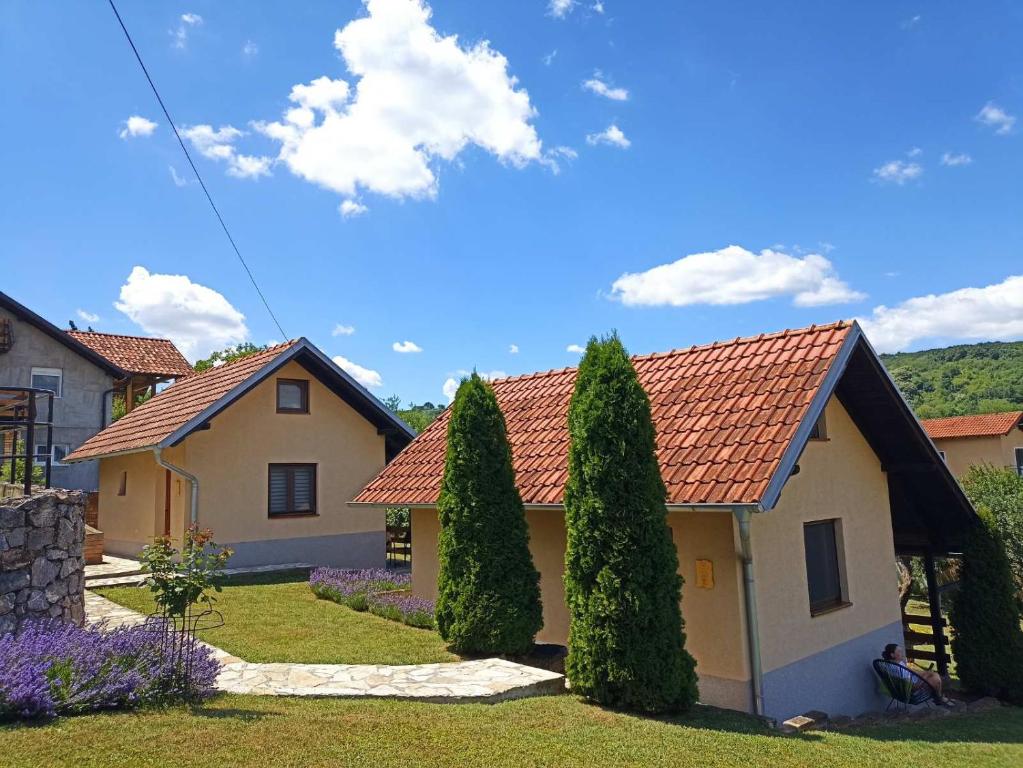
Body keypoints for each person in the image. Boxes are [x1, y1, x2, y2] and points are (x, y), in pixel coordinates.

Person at [881, 643, 955, 706]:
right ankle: (939, 697)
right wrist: (925, 676)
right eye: (899, 651)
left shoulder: (897, 663)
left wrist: (926, 673)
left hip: (915, 680)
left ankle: (939, 697)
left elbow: (911, 671)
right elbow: (913, 687)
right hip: (913, 689)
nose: (902, 653)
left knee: (935, 676)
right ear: (892, 655)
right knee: (936, 680)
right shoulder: (896, 669)